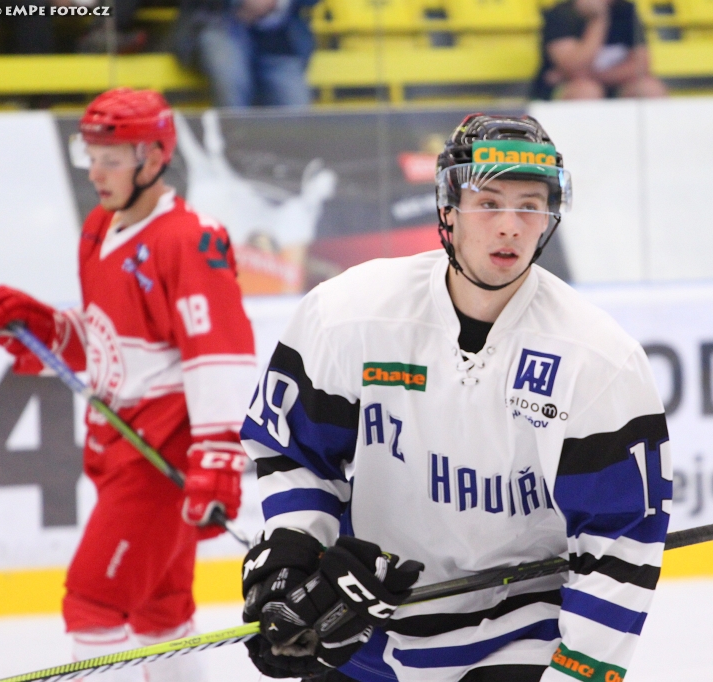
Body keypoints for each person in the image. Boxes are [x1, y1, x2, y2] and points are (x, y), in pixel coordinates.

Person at [238, 113, 673, 682]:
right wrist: (296, 553)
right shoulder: (351, 313)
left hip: (516, 634)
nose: (511, 226)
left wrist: (580, 674)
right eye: (489, 204)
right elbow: (295, 452)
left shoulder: (596, 358)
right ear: (449, 209)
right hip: (366, 624)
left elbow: (619, 538)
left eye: (530, 205)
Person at [0, 88, 256, 681]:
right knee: (161, 609)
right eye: (91, 156)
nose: (96, 172)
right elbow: (112, 340)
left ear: (154, 158)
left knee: (93, 602)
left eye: (111, 158)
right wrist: (48, 329)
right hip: (120, 446)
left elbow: (219, 352)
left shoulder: (189, 239)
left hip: (160, 454)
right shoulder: (98, 229)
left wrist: (218, 459)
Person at [173, 0, 316, 107]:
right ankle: (233, 138)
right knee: (230, 78)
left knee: (296, 107)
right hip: (217, 24)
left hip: (279, 38)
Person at [531, 0, 667, 100]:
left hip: (614, 85)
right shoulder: (560, 14)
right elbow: (573, 67)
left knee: (650, 89)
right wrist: (597, 20)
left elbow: (641, 65)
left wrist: (595, 76)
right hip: (567, 89)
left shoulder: (626, 11)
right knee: (586, 91)